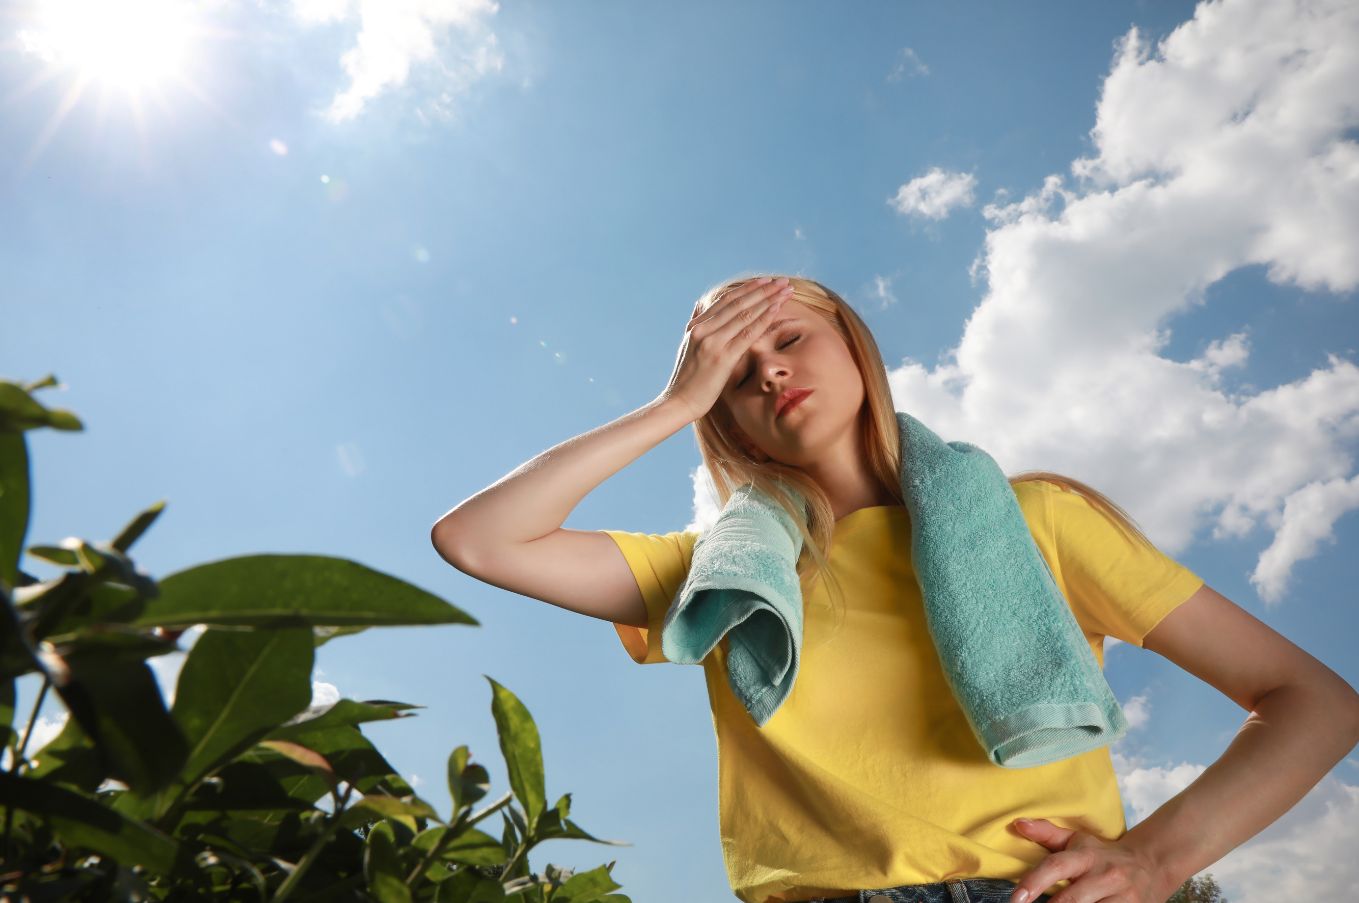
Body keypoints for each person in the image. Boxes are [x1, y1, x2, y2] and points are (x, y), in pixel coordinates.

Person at [431, 273, 1359, 903]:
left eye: (788, 337)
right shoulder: (715, 581)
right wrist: (676, 402)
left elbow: (1312, 701)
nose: (770, 369)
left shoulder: (1038, 520)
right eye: (735, 374)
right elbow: (477, 539)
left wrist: (1158, 856)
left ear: (854, 346)